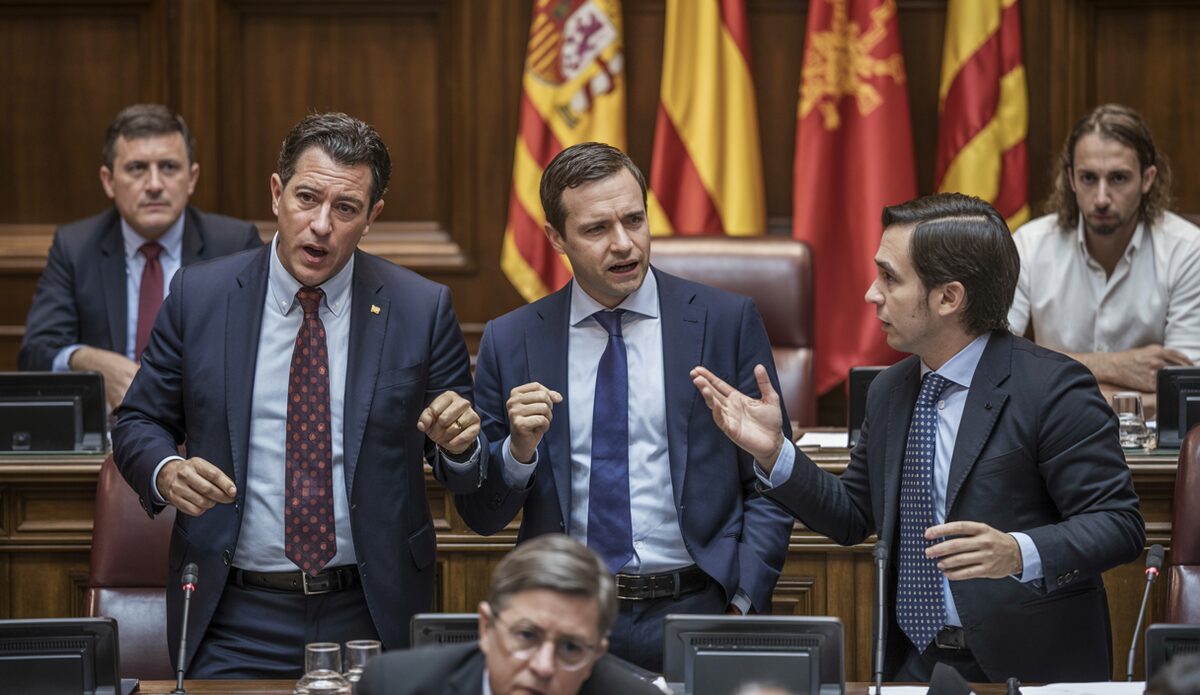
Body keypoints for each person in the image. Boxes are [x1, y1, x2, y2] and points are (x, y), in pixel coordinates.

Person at [112, 112, 509, 678]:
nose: (321, 225)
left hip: (372, 610)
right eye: (307, 198)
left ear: (371, 217)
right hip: (232, 614)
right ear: (277, 193)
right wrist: (166, 470)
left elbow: (466, 475)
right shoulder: (201, 296)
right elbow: (137, 421)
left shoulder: (421, 309)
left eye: (345, 208)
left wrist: (461, 446)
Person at [692, 193, 1145, 683]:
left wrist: (1018, 552)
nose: (872, 294)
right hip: (916, 665)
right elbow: (853, 515)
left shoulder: (1052, 388)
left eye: (890, 278)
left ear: (948, 298)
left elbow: (1118, 524)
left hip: (1029, 668)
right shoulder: (890, 390)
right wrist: (775, 453)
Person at [464, 142, 794, 671]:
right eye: (597, 229)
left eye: (634, 220)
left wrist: (743, 601)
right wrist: (518, 453)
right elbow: (482, 515)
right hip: (566, 616)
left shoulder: (724, 322)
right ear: (555, 238)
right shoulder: (512, 340)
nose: (624, 244)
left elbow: (771, 480)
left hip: (700, 608)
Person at [19, 104, 262, 409]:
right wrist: (87, 360)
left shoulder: (234, 244)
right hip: (112, 425)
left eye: (169, 167)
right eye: (137, 168)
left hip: (201, 427)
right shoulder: (75, 247)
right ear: (108, 181)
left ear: (192, 178)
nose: (154, 185)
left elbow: (258, 348)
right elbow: (36, 352)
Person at [1008, 103, 1200, 392]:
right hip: (1061, 426)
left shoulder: (1187, 250)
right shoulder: (1030, 244)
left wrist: (1051, 376)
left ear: (1147, 179)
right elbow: (996, 359)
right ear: (1071, 179)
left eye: (1118, 178)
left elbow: (1185, 391)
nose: (1101, 198)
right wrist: (1115, 366)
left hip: (1122, 424)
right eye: (1088, 178)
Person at [358, 534, 661, 695]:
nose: (543, 667)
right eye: (527, 635)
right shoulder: (394, 685)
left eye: (571, 647)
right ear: (487, 628)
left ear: (596, 655)